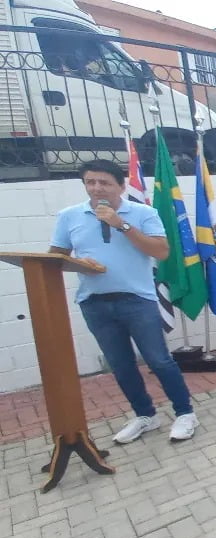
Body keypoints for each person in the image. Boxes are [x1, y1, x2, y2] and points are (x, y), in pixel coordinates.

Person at [48, 159, 198, 443]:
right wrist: (79, 264)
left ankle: (185, 413)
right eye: (90, 182)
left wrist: (121, 224)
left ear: (121, 186)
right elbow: (56, 258)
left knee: (159, 360)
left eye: (104, 182)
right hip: (94, 303)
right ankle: (145, 415)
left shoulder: (143, 213)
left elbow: (161, 251)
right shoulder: (69, 216)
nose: (96, 188)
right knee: (121, 365)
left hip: (137, 300)